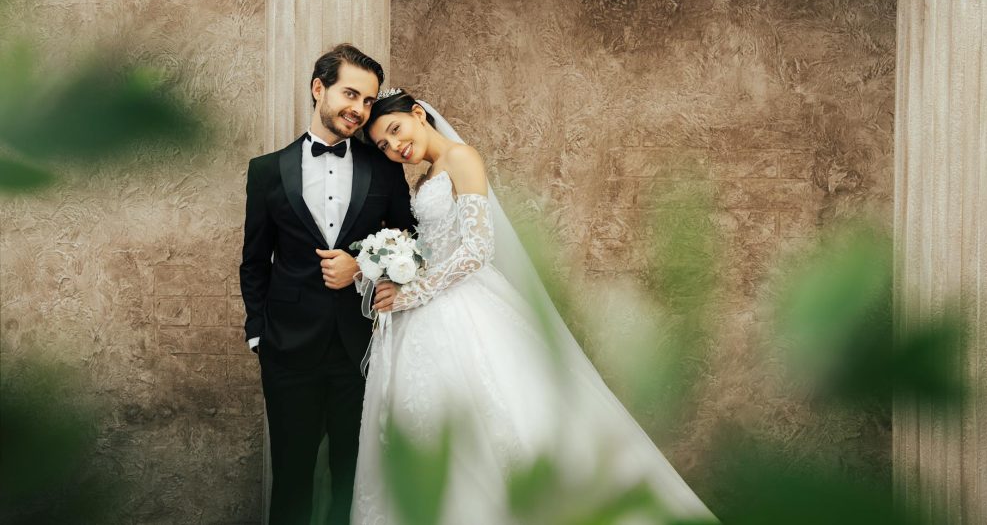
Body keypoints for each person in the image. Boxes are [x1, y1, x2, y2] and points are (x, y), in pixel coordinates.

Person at [352, 89, 716, 524]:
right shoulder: (425, 175)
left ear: (417, 113)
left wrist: (414, 292)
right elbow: (437, 245)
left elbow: (478, 249)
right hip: (431, 306)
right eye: (384, 146)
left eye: (395, 131)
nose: (395, 147)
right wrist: (396, 269)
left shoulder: (462, 157)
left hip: (465, 304)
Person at [239, 44, 416, 525]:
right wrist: (259, 334)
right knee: (292, 478)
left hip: (360, 349)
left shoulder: (385, 166)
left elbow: (410, 236)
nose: (359, 109)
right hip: (287, 349)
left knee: (352, 477)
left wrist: (360, 264)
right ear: (319, 89)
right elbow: (254, 260)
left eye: (367, 101)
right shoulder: (266, 170)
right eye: (350, 94)